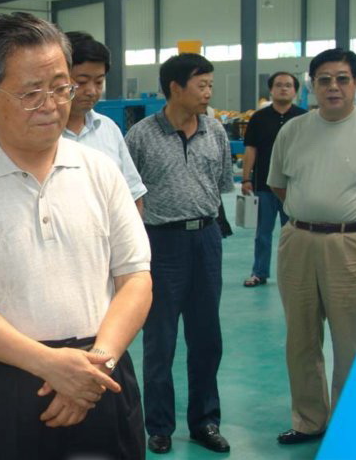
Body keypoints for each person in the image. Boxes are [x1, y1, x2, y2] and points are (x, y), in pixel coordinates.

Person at [0, 12, 152, 459]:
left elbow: (136, 279)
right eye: (31, 93)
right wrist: (49, 365)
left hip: (100, 373)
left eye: (60, 87)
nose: (50, 104)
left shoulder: (101, 172)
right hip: (3, 382)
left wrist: (96, 366)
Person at [125, 53, 234, 454]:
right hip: (161, 243)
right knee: (161, 339)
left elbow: (222, 182)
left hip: (206, 239)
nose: (208, 93)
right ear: (175, 88)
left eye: (210, 85)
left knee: (207, 337)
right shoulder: (141, 136)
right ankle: (159, 426)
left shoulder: (215, 131)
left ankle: (205, 421)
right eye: (201, 85)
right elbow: (127, 194)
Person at [268, 48, 356, 445]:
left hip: (349, 244)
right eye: (324, 80)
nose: (333, 87)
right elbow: (278, 184)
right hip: (298, 241)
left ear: (355, 84)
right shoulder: (293, 130)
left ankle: (348, 426)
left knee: (350, 339)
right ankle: (309, 419)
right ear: (313, 85)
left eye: (342, 79)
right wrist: (309, 214)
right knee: (301, 337)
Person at [62, 31, 146, 212]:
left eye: (99, 82)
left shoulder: (108, 129)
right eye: (81, 82)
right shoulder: (41, 133)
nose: (92, 91)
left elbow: (133, 194)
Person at [241, 72, 306, 287]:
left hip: (294, 187)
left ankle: (297, 273)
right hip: (264, 186)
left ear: (295, 91)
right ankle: (259, 272)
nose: (283, 89)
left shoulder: (304, 118)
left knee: (296, 233)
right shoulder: (258, 118)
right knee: (263, 233)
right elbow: (251, 149)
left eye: (288, 85)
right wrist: (246, 179)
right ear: (271, 90)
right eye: (279, 85)